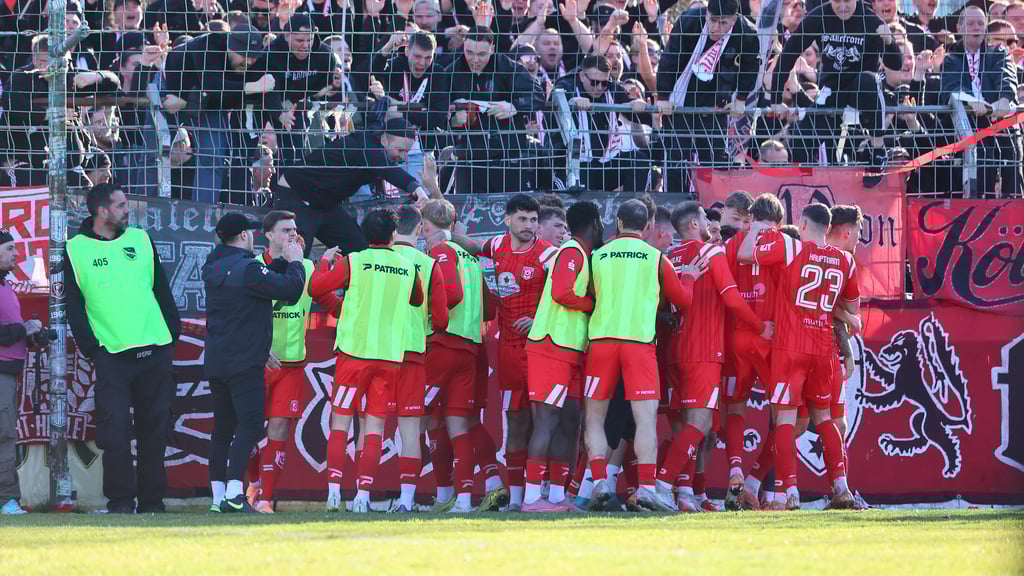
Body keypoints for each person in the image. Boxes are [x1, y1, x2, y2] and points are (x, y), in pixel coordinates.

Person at [64, 183, 181, 514]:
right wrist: (92, 348)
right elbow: (73, 304)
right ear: (101, 211)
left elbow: (161, 288)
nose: (127, 210)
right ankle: (120, 502)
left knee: (154, 432)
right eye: (121, 205)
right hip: (112, 354)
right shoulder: (75, 248)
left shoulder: (141, 239)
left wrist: (172, 331)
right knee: (114, 433)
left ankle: (152, 503)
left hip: (155, 348)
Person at [583, 199, 703, 512]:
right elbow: (683, 300)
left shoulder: (596, 256)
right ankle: (648, 489)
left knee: (595, 417)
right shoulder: (656, 258)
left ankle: (599, 482)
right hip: (639, 344)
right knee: (645, 419)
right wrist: (689, 276)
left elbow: (587, 295)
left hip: (602, 342)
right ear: (648, 225)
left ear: (618, 223)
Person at [738, 203, 858, 510]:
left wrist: (754, 229)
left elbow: (745, 254)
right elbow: (852, 308)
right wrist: (840, 312)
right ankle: (841, 487)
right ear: (828, 228)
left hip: (791, 347)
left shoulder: (790, 247)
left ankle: (789, 493)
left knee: (786, 420)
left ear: (802, 225)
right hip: (824, 348)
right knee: (824, 418)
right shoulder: (846, 260)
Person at [656, 202, 771, 512]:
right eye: (705, 218)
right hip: (704, 350)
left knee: (685, 426)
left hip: (674, 349)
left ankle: (685, 493)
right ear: (694, 224)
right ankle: (661, 485)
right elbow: (731, 298)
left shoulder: (669, 257)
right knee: (701, 423)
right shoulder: (710, 252)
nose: (710, 223)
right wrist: (760, 325)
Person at [310, 209, 424, 514]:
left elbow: (316, 288)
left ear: (364, 233)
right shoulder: (407, 266)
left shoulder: (354, 261)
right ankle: (362, 497)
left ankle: (334, 494)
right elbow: (417, 300)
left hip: (354, 353)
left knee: (341, 422)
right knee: (375, 426)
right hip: (388, 357)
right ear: (393, 234)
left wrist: (325, 263)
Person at [449, 194, 557, 511]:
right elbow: (467, 243)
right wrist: (439, 226)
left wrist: (540, 321)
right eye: (522, 219)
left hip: (539, 350)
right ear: (507, 220)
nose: (529, 225)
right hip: (509, 350)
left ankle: (544, 493)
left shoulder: (548, 254)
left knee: (544, 422)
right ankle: (517, 498)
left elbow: (566, 295)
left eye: (533, 220)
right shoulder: (497, 246)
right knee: (516, 422)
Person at [202, 212, 306, 513]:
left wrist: (282, 262)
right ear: (245, 236)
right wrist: (296, 262)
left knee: (223, 429)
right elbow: (290, 290)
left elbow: (265, 282)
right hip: (244, 360)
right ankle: (236, 494)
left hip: (218, 359)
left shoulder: (212, 265)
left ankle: (218, 498)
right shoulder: (248, 268)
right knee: (249, 424)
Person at [243, 212, 343, 514]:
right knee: (248, 431)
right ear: (268, 236)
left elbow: (333, 305)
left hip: (292, 365)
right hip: (257, 363)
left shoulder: (307, 267)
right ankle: (253, 483)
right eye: (285, 230)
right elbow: (239, 317)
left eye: (295, 229)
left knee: (278, 428)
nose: (292, 235)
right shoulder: (252, 267)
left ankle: (266, 500)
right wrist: (257, 348)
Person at [418, 199, 504, 513]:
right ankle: (464, 497)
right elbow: (490, 308)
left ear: (425, 226)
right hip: (471, 348)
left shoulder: (441, 252)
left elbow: (451, 295)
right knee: (459, 423)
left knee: (419, 419)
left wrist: (425, 310)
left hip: (442, 343)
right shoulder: (471, 258)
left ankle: (418, 497)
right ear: (453, 225)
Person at [523, 201, 604, 512]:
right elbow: (561, 293)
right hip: (551, 345)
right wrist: (593, 304)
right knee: (547, 421)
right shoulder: (571, 251)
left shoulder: (583, 255)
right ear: (595, 224)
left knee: (570, 421)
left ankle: (557, 496)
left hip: (571, 348)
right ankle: (531, 498)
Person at [773, 0, 904, 186]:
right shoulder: (819, 16)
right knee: (802, 136)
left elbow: (896, 64)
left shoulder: (870, 20)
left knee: (868, 80)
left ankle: (877, 149)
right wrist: (775, 97)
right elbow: (788, 54)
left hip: (862, 91)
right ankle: (804, 183)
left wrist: (889, 42)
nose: (842, 7)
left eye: (847, 1)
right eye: (837, 1)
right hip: (831, 90)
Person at [276, 117, 438, 257]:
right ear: (384, 141)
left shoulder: (377, 152)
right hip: (297, 196)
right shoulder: (367, 147)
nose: (402, 157)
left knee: (360, 250)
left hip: (324, 203)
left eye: (406, 152)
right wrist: (416, 188)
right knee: (295, 254)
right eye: (400, 150)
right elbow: (388, 169)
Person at [160, 24, 276, 202]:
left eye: (252, 57)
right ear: (230, 47)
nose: (248, 62)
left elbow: (219, 95)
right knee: (155, 154)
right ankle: (145, 207)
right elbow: (212, 86)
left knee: (213, 157)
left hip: (208, 103)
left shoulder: (253, 62)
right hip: (168, 88)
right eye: (243, 55)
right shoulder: (208, 45)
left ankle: (204, 211)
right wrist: (253, 87)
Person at [657, 0, 760, 192]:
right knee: (676, 158)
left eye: (723, 23)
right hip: (680, 100)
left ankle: (715, 202)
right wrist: (662, 96)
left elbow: (750, 67)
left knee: (715, 159)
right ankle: (673, 202)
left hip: (716, 104)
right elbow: (669, 59)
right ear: (706, 13)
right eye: (713, 20)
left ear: (734, 19)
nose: (716, 27)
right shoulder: (688, 22)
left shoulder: (747, 32)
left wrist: (741, 99)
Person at [722, 193, 785, 511]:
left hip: (737, 337)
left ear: (752, 216)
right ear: (780, 222)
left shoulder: (731, 245)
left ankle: (736, 470)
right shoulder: (782, 243)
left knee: (735, 407)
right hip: (770, 338)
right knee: (788, 418)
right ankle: (758, 481)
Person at [430, 25, 547, 194]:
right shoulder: (451, 72)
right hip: (469, 160)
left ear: (492, 49)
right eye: (469, 52)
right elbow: (436, 111)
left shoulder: (508, 67)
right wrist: (453, 120)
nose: (475, 60)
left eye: (482, 54)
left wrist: (514, 106)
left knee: (512, 207)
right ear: (463, 45)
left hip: (508, 158)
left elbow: (538, 95)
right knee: (469, 209)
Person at [389, 205, 451, 513]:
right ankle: (405, 500)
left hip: (373, 352)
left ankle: (360, 499)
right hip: (412, 351)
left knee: (368, 423)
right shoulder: (427, 263)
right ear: (419, 229)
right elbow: (441, 319)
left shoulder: (367, 259)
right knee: (410, 429)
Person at [940, 6, 1022, 198]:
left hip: (1001, 123)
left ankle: (1013, 209)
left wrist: (1004, 98)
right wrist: (971, 101)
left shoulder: (998, 52)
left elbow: (1005, 75)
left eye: (980, 23)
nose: (976, 27)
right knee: (982, 172)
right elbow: (952, 88)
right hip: (969, 125)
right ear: (959, 28)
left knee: (1012, 162)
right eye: (970, 23)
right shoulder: (950, 60)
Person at [552, 54, 652, 192]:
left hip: (605, 162)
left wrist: (638, 103)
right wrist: (571, 102)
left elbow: (639, 115)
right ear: (582, 76)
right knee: (582, 194)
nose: (599, 87)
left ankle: (632, 204)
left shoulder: (612, 87)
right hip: (573, 163)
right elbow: (554, 103)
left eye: (604, 83)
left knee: (640, 161)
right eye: (594, 82)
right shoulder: (566, 85)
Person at [0, 230, 41, 516]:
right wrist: (22, 330)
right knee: (3, 436)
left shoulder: (6, 287)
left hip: (8, 373)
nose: (16, 253)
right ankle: (6, 499)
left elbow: (11, 331)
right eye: (9, 248)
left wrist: (34, 336)